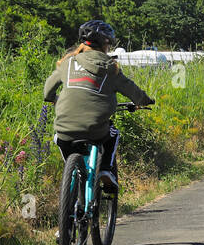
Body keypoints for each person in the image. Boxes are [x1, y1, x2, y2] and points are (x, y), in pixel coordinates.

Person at [43, 20, 153, 194]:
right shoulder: (111, 67)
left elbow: (48, 90)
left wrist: (53, 99)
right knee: (113, 133)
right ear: (106, 43)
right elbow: (132, 90)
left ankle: (72, 175)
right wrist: (145, 100)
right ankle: (105, 170)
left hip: (64, 129)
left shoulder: (67, 62)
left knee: (60, 138)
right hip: (95, 129)